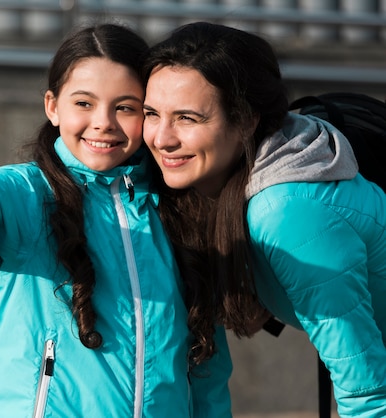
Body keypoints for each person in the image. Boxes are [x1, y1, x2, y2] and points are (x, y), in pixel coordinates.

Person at [0, 23, 232, 417]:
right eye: (84, 103)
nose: (104, 122)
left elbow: (206, 362)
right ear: (52, 106)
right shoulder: (22, 195)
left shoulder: (182, 209)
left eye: (126, 107)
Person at [142, 21, 386, 417]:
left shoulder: (286, 213)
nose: (161, 138)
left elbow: (370, 393)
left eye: (187, 118)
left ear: (246, 121)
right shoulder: (234, 174)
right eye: (152, 113)